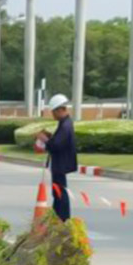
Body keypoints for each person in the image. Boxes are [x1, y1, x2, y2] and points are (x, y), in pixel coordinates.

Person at [36, 94, 78, 222]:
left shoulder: (65, 125)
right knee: (57, 191)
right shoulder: (63, 123)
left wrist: (44, 139)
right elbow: (57, 141)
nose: (53, 115)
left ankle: (62, 218)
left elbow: (56, 145)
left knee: (60, 191)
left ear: (61, 110)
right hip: (59, 163)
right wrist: (49, 137)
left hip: (61, 163)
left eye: (53, 112)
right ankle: (57, 216)